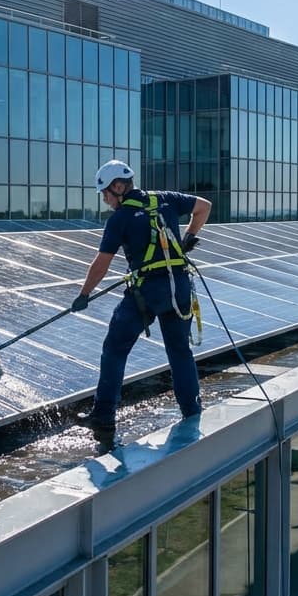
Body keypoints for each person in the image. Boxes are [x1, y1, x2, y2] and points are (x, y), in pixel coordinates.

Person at [71, 160, 211, 443]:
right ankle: (192, 411)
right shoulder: (166, 199)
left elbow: (101, 264)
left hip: (147, 292)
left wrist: (84, 294)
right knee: (179, 351)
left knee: (115, 348)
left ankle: (104, 416)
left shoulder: (120, 219)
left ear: (119, 187)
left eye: (106, 194)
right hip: (180, 288)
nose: (105, 200)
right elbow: (204, 206)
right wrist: (189, 238)